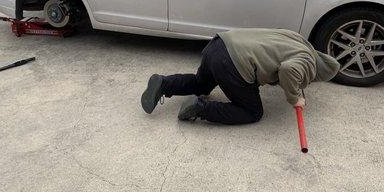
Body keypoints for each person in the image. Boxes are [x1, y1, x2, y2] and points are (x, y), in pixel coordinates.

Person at [141, 28, 340, 125]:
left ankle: (164, 83)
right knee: (253, 112)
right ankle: (201, 108)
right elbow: (288, 71)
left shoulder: (298, 39)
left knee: (201, 83)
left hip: (219, 43)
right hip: (233, 63)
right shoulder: (308, 62)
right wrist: (295, 98)